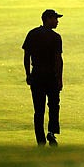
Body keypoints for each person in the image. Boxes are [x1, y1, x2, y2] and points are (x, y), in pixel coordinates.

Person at [22, 9, 64, 147]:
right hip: (51, 76)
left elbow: (26, 56)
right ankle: (52, 132)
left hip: (37, 75)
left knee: (38, 110)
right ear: (48, 19)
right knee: (54, 106)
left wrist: (28, 74)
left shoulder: (32, 34)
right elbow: (59, 60)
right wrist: (60, 79)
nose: (57, 21)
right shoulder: (56, 37)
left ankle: (40, 139)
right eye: (55, 19)